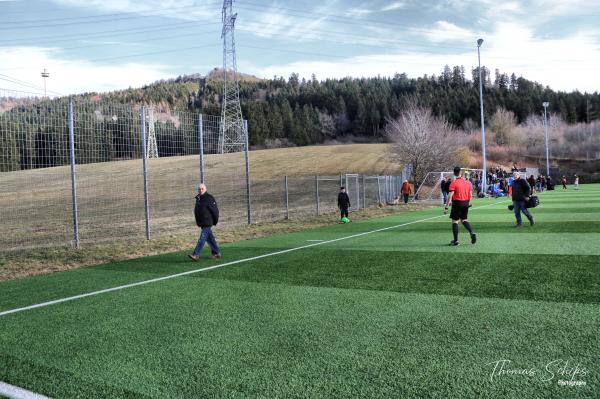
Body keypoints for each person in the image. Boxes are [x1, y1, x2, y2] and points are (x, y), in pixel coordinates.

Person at [444, 167, 476, 246]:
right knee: (464, 220)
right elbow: (470, 195)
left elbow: (449, 196)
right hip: (466, 203)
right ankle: (472, 232)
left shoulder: (453, 183)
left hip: (457, 203)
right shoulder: (467, 182)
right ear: (461, 173)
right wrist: (468, 202)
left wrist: (446, 207)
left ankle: (456, 241)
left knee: (455, 221)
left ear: (454, 173)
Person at [189, 183, 220, 261]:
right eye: (199, 189)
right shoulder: (198, 198)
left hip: (208, 222)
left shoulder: (209, 198)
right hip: (202, 222)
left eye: (202, 189)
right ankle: (216, 252)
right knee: (210, 238)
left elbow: (215, 210)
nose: (200, 190)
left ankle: (195, 254)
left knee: (202, 238)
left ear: (205, 189)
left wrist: (215, 221)